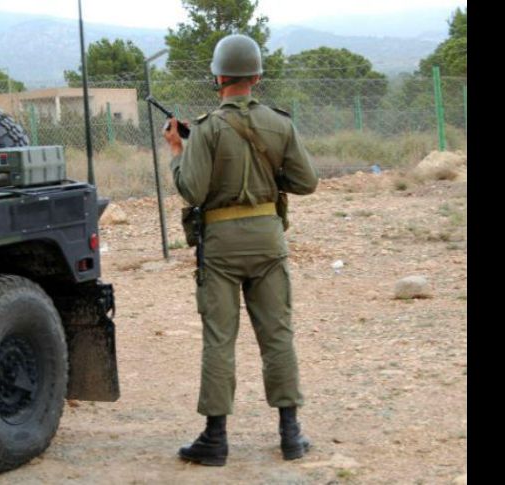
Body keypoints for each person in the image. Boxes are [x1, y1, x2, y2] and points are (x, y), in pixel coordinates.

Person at [163, 33, 319, 467]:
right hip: (269, 240)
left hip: (221, 246)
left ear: (218, 77)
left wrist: (178, 149)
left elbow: (191, 190)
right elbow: (307, 181)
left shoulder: (208, 128)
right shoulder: (281, 124)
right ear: (257, 76)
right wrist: (270, 185)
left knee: (219, 340)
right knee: (277, 335)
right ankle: (291, 434)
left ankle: (215, 439)